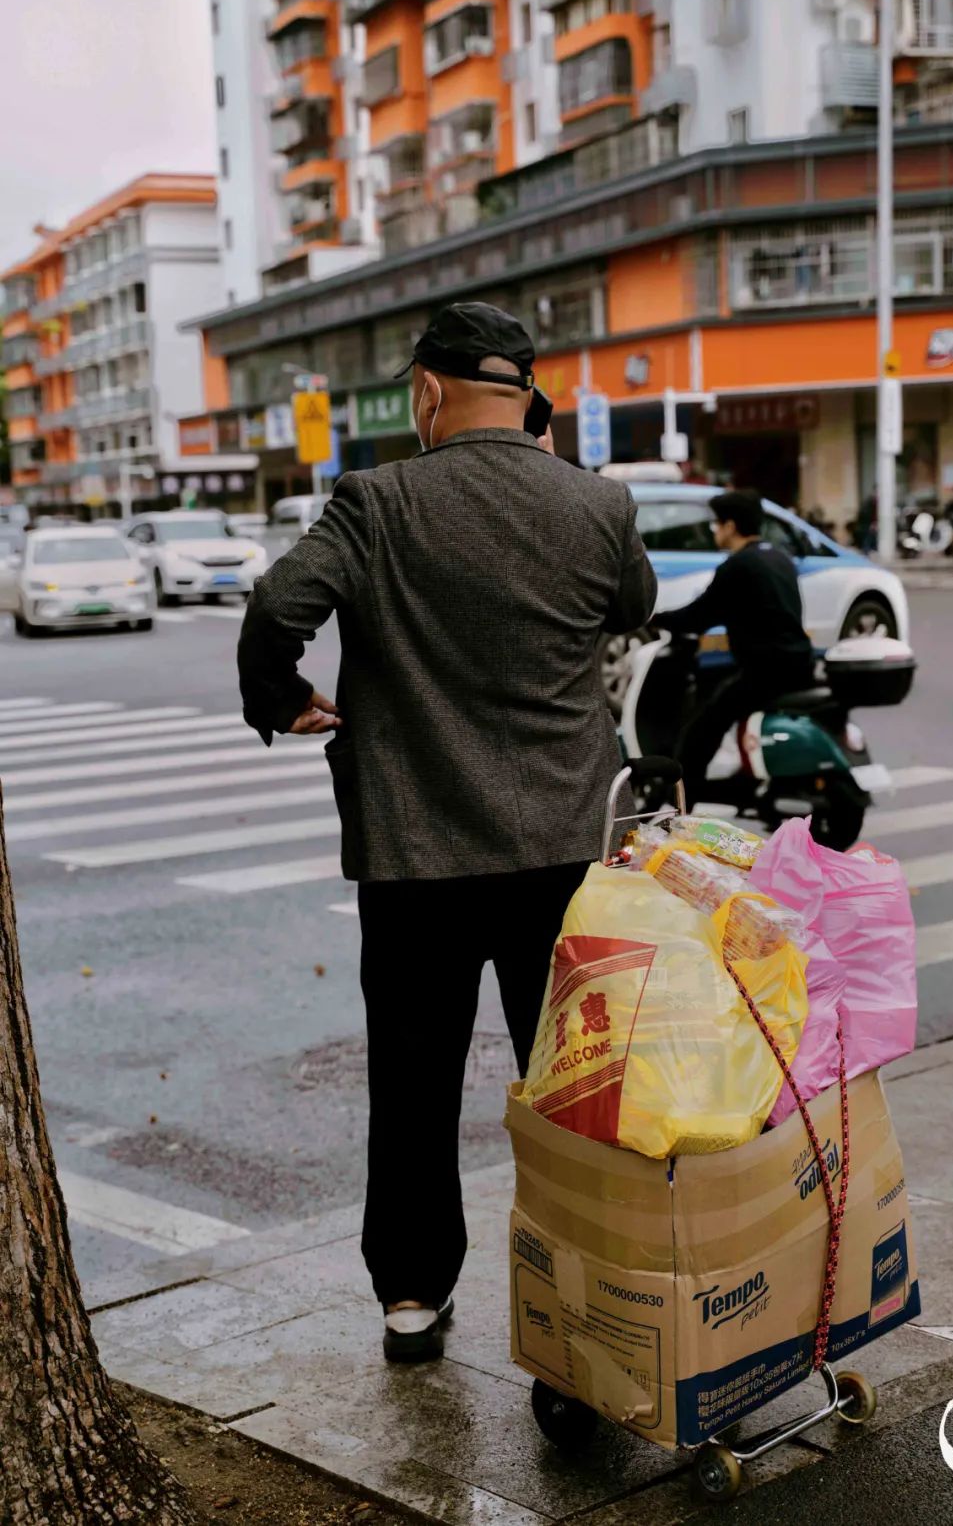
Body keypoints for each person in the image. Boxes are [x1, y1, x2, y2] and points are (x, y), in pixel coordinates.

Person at [237, 302, 656, 1364]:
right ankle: (585, 1313)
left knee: (415, 1079)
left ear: (425, 390)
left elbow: (279, 605)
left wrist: (279, 694)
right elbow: (632, 606)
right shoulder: (598, 503)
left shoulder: (375, 501)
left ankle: (414, 1297)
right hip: (563, 854)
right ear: (529, 399)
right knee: (568, 1086)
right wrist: (555, 476)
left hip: (414, 856)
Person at [652, 490, 814, 811]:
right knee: (721, 689)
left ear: (730, 526)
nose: (715, 531)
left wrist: (654, 619)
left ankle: (683, 804)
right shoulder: (779, 557)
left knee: (700, 730)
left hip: (767, 672)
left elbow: (699, 616)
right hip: (799, 663)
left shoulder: (739, 566)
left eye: (717, 524)